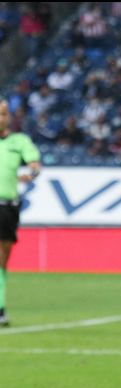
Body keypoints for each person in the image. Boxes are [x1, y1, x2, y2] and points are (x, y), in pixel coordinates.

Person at [0, 97, 41, 327]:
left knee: (2, 259)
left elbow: (35, 166)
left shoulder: (20, 141)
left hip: (7, 207)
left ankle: (0, 307)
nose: (1, 118)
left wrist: (30, 175)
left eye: (4, 113)